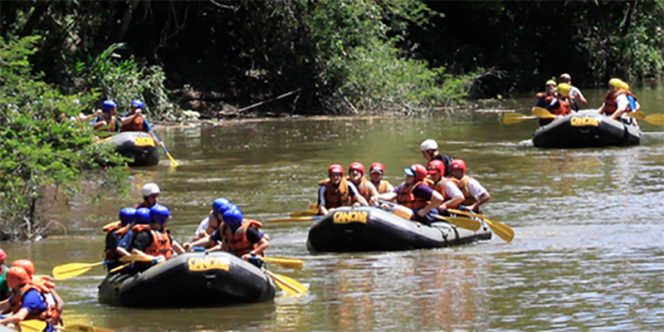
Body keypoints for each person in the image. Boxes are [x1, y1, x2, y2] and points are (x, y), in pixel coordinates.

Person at [185, 206, 269, 268]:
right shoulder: (224, 228)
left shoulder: (249, 230)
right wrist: (192, 245)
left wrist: (252, 253)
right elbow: (210, 240)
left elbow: (265, 243)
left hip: (250, 260)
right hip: (234, 259)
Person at [376, 164, 444, 225]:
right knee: (385, 206)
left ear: (416, 177)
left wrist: (425, 210)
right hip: (408, 212)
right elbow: (392, 195)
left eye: (410, 175)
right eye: (407, 175)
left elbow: (439, 198)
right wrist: (377, 197)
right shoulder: (404, 185)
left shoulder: (420, 188)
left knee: (397, 208)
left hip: (420, 215)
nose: (407, 177)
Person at [0, 267, 59, 331]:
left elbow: (19, 317)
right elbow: (5, 305)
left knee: (10, 325)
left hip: (41, 328)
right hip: (26, 322)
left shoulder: (31, 296)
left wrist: (1, 322)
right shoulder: (20, 292)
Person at [10, 260, 64, 326]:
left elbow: (20, 316)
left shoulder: (32, 292)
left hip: (43, 324)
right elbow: (61, 303)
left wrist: (54, 317)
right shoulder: (40, 283)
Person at [129, 205, 184, 271]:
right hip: (148, 267)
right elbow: (135, 252)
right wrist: (154, 259)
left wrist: (184, 254)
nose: (166, 224)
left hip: (164, 264)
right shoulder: (145, 235)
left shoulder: (164, 233)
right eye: (166, 221)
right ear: (160, 221)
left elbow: (174, 245)